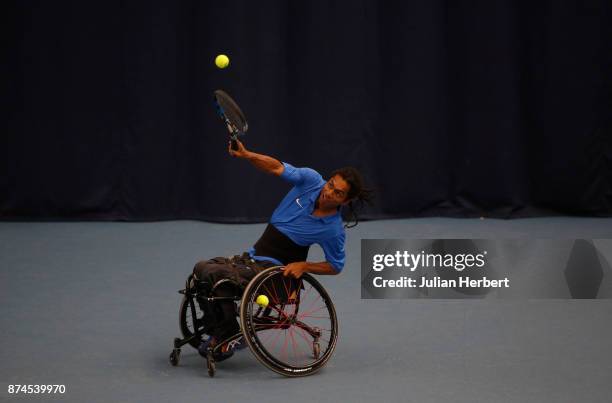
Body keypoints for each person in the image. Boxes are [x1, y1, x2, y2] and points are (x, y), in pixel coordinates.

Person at [193, 139, 372, 360]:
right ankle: (220, 330)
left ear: (346, 200)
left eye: (338, 193)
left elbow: (336, 266)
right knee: (201, 269)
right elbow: (276, 167)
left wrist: (304, 266)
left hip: (278, 274)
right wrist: (248, 155)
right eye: (331, 185)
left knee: (217, 277)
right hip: (253, 258)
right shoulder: (311, 180)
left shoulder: (333, 230)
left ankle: (228, 333)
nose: (329, 192)